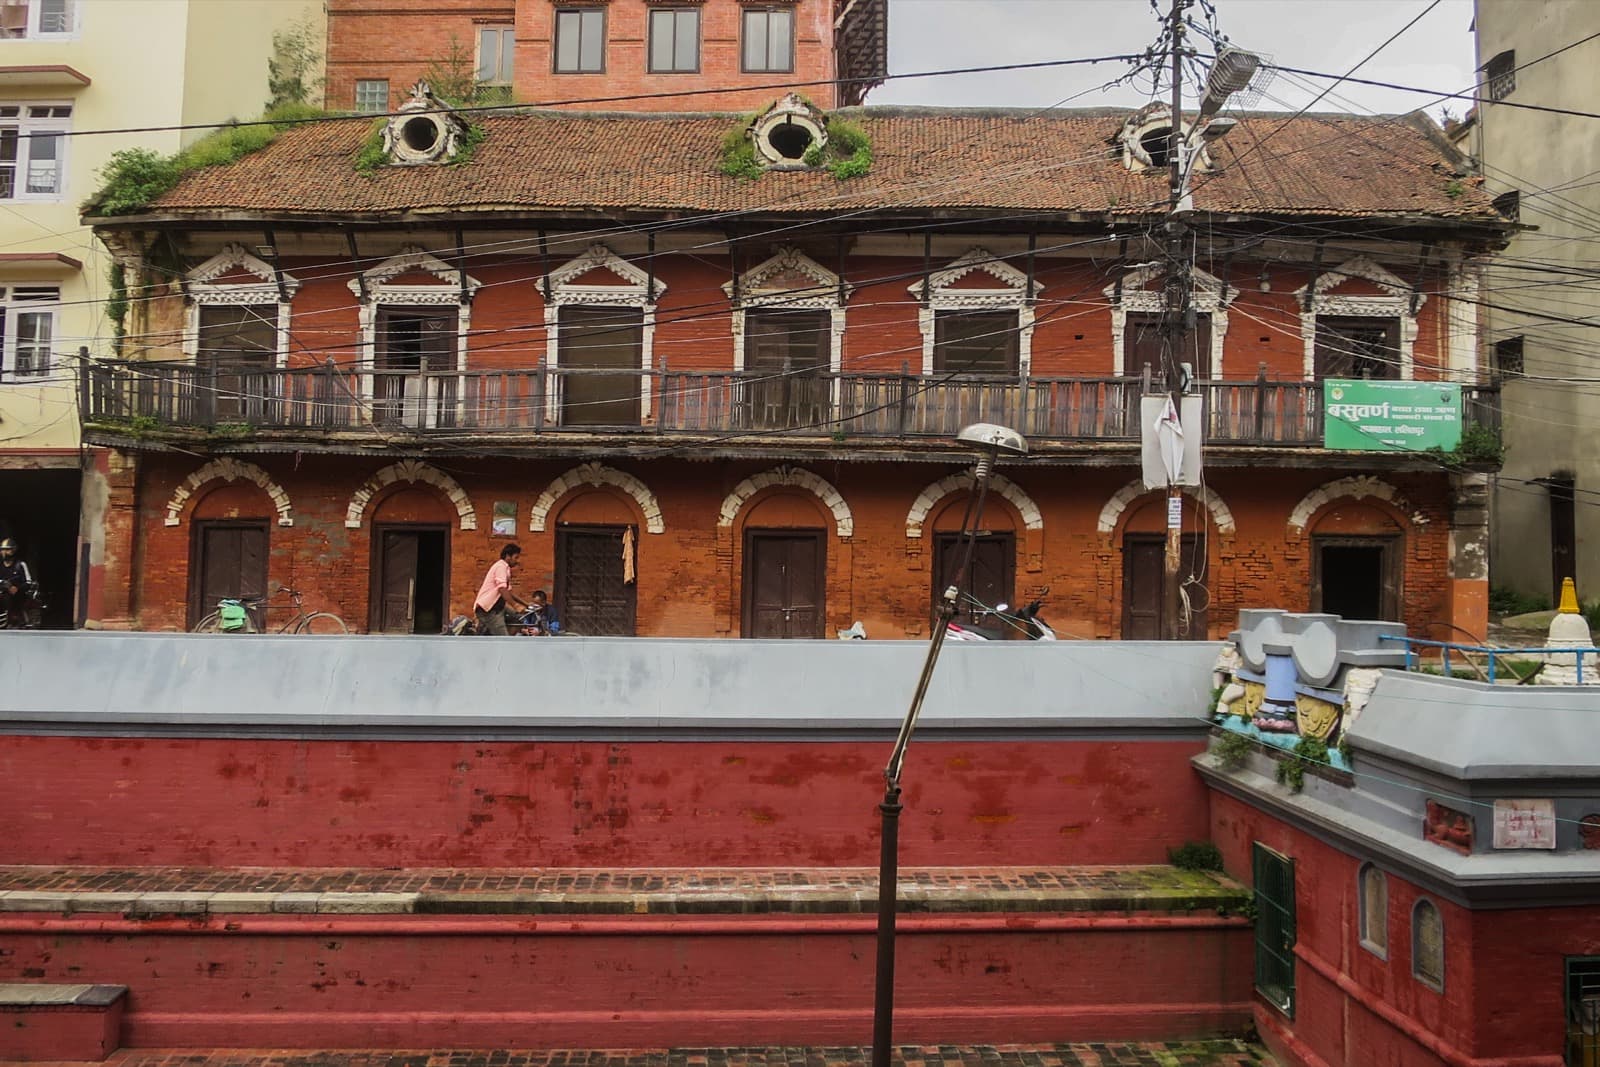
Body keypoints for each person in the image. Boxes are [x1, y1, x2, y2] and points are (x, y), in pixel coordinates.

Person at [473, 543, 528, 636]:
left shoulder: (506, 569)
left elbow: (509, 591)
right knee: (503, 638)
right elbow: (502, 589)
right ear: (508, 556)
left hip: (498, 607)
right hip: (489, 609)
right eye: (516, 557)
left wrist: (526, 604)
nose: (518, 561)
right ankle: (504, 642)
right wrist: (515, 606)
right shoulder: (500, 567)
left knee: (518, 619)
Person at [0, 537, 39, 629]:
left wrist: (17, 588)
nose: (4, 552)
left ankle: (14, 619)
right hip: (2, 592)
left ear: (13, 551)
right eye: (3, 550)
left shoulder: (20, 565)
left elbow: (28, 582)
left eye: (7, 550)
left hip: (16, 596)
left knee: (10, 599)